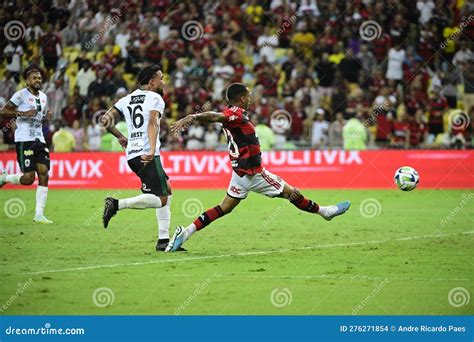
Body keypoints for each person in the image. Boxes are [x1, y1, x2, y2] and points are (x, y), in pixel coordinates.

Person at [166, 83, 351, 252]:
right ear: (241, 98)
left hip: (239, 173)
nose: (251, 97)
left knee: (225, 207)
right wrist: (193, 117)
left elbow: (221, 117)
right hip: (254, 174)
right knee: (292, 193)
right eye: (248, 95)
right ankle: (325, 212)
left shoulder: (233, 113)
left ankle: (186, 232)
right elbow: (215, 116)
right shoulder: (235, 114)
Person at [100, 65, 184, 252]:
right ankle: (116, 204)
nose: (163, 82)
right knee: (161, 198)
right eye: (161, 78)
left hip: (132, 154)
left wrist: (120, 136)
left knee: (167, 190)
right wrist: (152, 148)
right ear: (152, 80)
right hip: (147, 154)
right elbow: (153, 122)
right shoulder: (155, 98)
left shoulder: (126, 99)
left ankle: (163, 240)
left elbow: (105, 120)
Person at [0, 68, 53, 223]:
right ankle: (5, 178)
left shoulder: (44, 97)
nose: (38, 80)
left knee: (44, 173)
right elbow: (4, 111)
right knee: (29, 179)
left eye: (40, 78)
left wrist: (45, 117)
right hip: (24, 140)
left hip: (39, 140)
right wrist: (22, 114)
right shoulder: (21, 94)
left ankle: (39, 214)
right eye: (35, 78)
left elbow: (37, 116)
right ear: (28, 81)